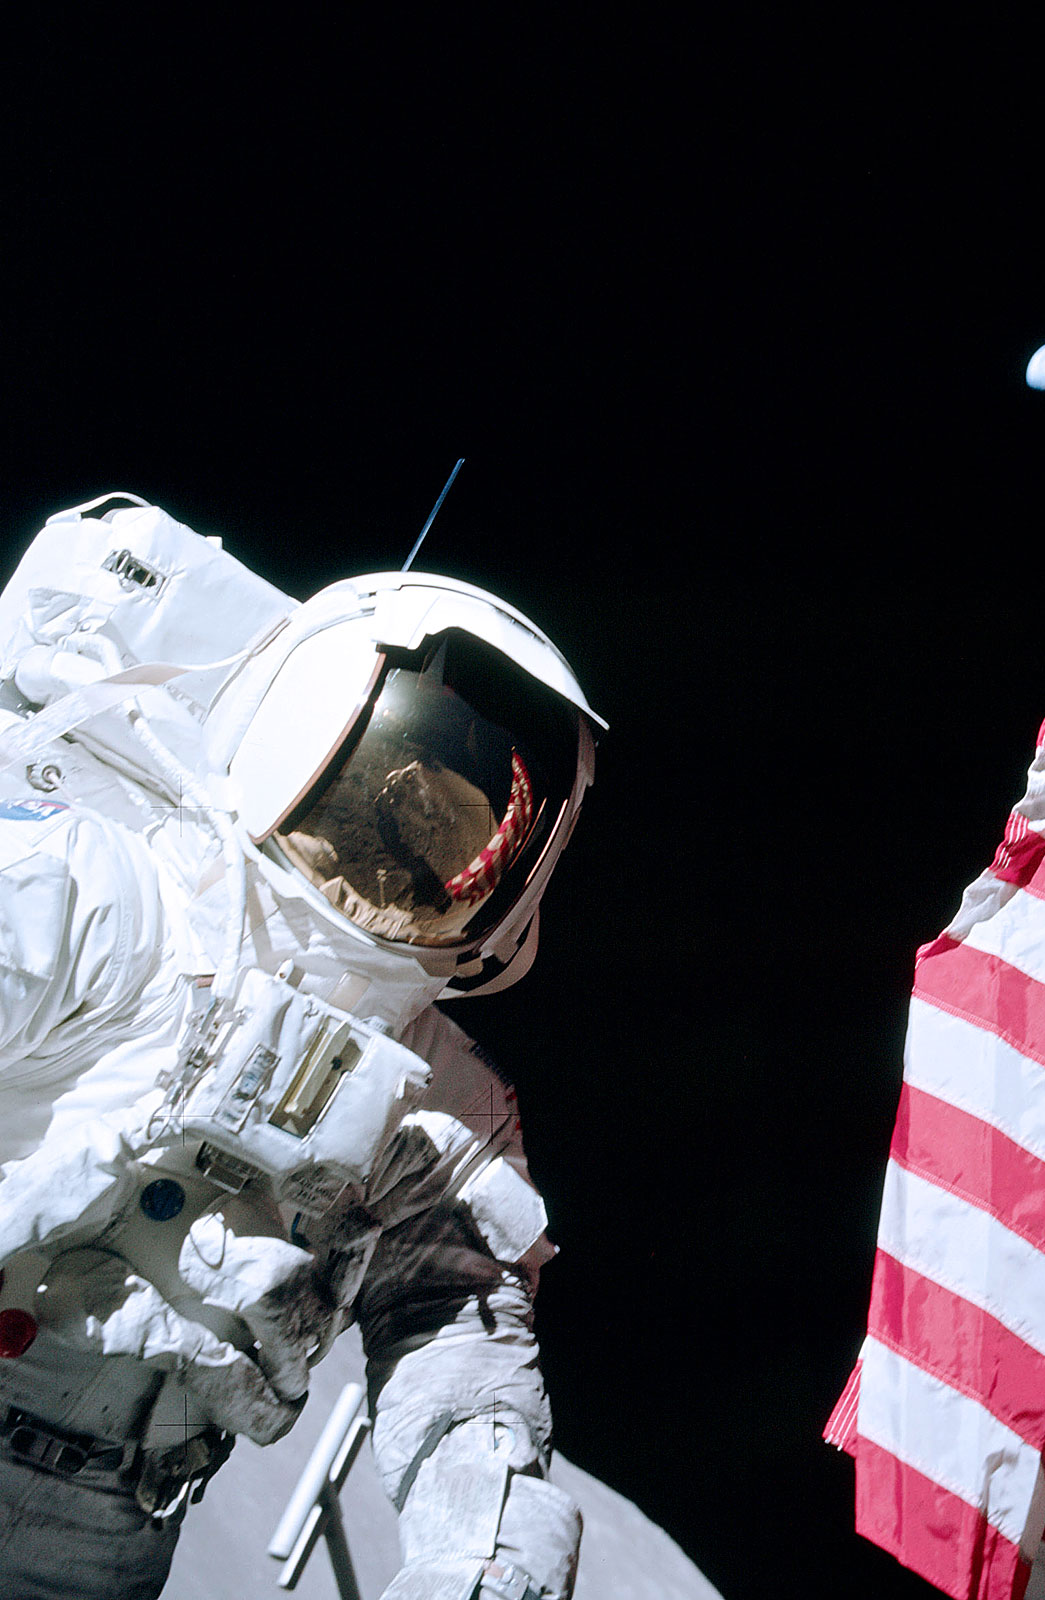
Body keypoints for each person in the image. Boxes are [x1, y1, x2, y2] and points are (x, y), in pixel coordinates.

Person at [0, 493, 602, 1600]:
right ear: (293, 729)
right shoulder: (103, 907)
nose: (401, 856)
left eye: (451, 840)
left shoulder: (442, 1112)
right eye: (389, 804)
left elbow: (461, 1369)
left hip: (105, 1536)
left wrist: (483, 1562)